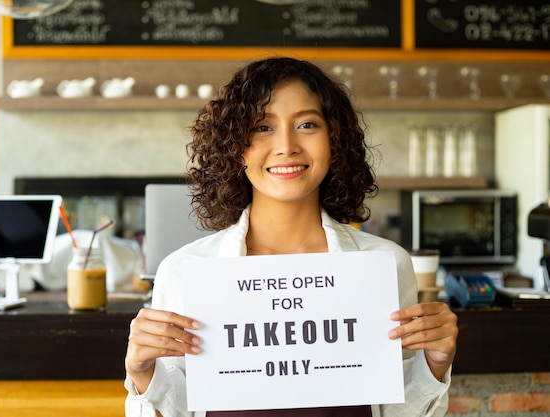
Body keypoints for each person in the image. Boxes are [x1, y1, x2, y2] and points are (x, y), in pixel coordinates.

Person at [124, 57, 458, 417]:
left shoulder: (384, 265)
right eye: (263, 127)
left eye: (307, 124)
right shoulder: (186, 271)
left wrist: (433, 365)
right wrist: (142, 374)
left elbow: (393, 409)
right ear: (236, 146)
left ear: (335, 140)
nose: (287, 145)